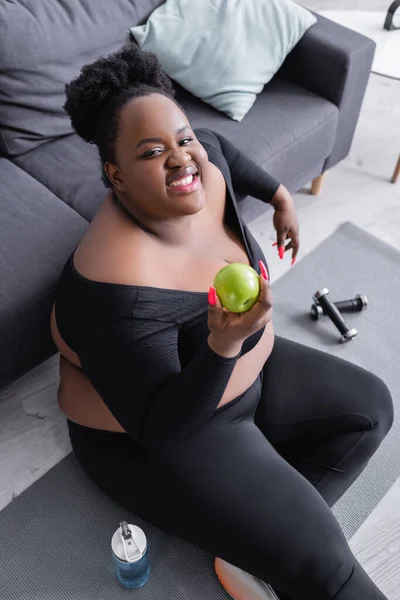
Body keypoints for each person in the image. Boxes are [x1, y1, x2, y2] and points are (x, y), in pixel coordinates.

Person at [51, 44, 394, 600]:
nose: (182, 158)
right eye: (151, 151)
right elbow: (159, 426)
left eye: (182, 138)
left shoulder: (201, 158)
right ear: (114, 174)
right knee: (327, 562)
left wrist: (280, 196)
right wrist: (222, 345)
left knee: (370, 409)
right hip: (167, 431)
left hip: (242, 366)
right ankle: (289, 550)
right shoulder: (117, 287)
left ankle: (251, 554)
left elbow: (222, 151)